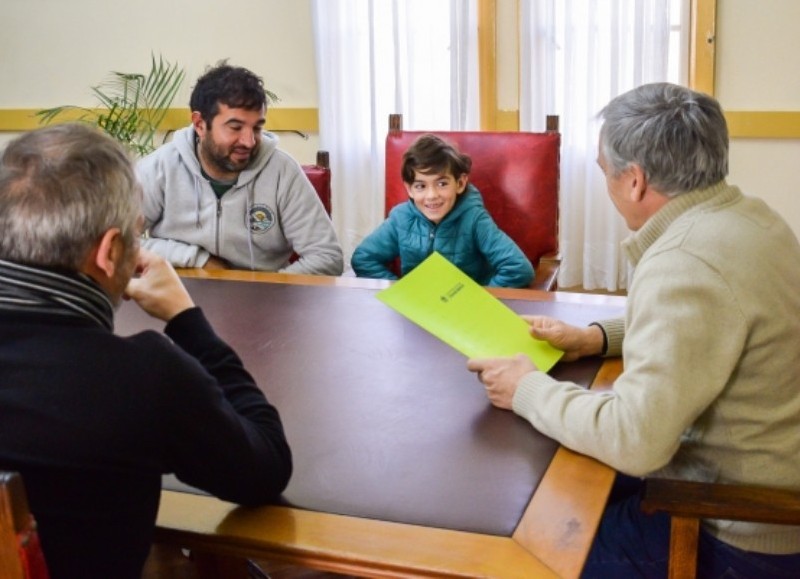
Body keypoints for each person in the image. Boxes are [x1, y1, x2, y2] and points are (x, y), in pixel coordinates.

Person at [467, 83, 800, 578]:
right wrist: (596, 338)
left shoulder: (684, 261)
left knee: (514, 552)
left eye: (605, 171)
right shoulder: (750, 218)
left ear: (636, 181)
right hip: (763, 479)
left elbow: (635, 441)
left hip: (733, 526)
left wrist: (526, 389)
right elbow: (716, 324)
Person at [0, 124, 293, 579]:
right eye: (137, 235)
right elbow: (266, 466)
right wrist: (186, 319)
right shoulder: (140, 377)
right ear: (110, 251)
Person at [137, 61, 343, 275]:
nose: (249, 141)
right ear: (200, 124)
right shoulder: (159, 168)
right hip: (177, 296)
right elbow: (112, 244)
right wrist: (198, 258)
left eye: (257, 127)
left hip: (262, 301)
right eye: (235, 127)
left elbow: (327, 257)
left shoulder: (282, 171)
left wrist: (265, 291)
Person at [351, 134, 534, 287]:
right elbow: (363, 258)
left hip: (462, 315)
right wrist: (400, 291)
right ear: (409, 189)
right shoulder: (400, 218)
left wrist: (479, 300)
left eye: (442, 183)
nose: (432, 195)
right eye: (421, 186)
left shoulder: (475, 220)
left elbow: (519, 269)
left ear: (460, 183)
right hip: (418, 312)